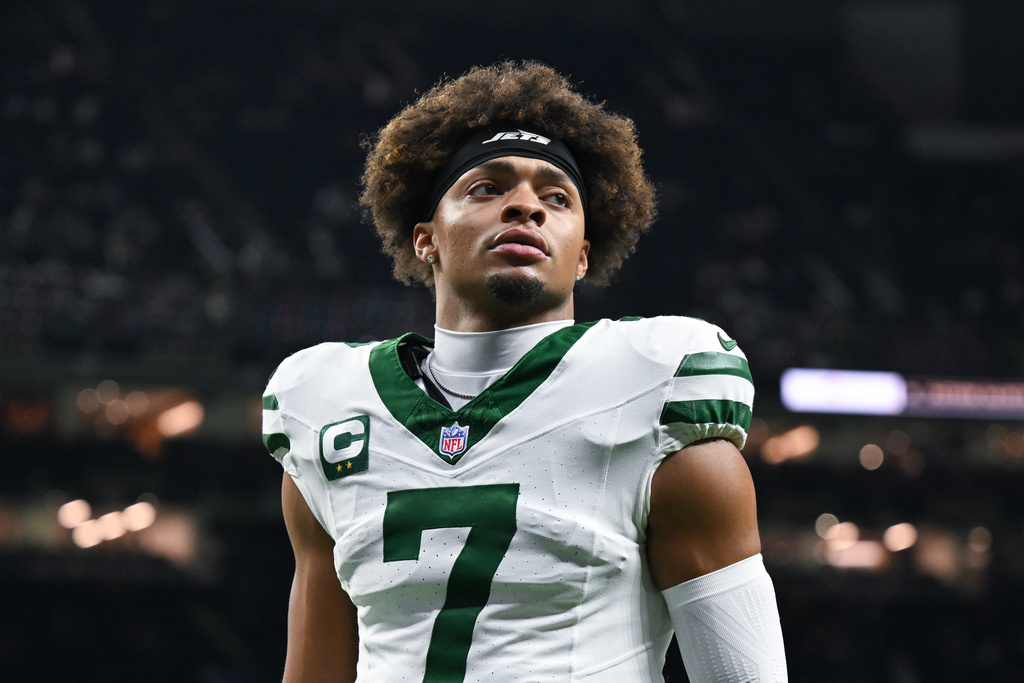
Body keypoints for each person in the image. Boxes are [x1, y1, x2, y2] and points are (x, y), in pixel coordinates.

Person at [262, 61, 787, 682]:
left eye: (557, 198)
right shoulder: (327, 408)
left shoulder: (653, 385)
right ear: (425, 238)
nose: (525, 207)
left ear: (583, 254)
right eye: (486, 188)